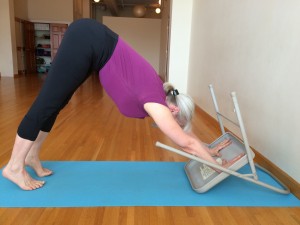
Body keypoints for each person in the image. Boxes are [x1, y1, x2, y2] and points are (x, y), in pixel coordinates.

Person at [2, 19, 242, 191]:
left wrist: (209, 150)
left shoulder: (161, 91)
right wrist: (222, 168)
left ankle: (32, 155)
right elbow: (186, 142)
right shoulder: (155, 102)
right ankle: (14, 167)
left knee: (57, 102)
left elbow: (188, 139)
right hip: (89, 40)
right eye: (177, 123)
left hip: (95, 46)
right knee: (45, 104)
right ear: (174, 110)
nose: (173, 127)